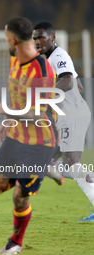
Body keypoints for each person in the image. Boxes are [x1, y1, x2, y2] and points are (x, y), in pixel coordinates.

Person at [0, 17, 57, 254]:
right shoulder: (14, 60)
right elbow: (17, 95)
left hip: (39, 143)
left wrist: (3, 109)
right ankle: (43, 169)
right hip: (16, 137)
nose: (6, 42)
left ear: (13, 39)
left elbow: (40, 116)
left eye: (6, 38)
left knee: (20, 197)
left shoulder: (43, 70)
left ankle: (15, 243)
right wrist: (7, 120)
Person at [33, 22, 93, 221]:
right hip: (71, 114)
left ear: (53, 37)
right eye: (35, 38)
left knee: (70, 164)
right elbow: (79, 87)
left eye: (41, 37)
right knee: (47, 161)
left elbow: (67, 82)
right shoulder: (54, 58)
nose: (37, 42)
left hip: (73, 115)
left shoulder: (58, 56)